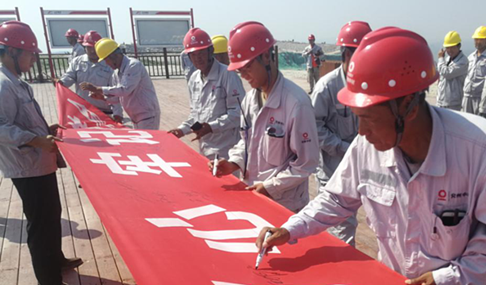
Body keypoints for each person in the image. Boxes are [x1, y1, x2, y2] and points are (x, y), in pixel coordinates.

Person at [256, 27, 486, 285]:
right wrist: (291, 228)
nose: (361, 132)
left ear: (407, 105)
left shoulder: (480, 148)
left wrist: (448, 278)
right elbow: (337, 199)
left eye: (368, 119)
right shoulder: (367, 145)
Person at [0, 21, 83, 285]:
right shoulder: (3, 85)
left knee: (51, 214)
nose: (33, 59)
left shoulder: (17, 83)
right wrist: (36, 140)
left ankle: (55, 260)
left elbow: (22, 120)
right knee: (41, 223)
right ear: (12, 52)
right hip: (27, 167)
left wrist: (45, 130)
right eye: (30, 54)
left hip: (38, 163)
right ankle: (49, 284)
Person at [210, 22, 319, 213]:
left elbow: (306, 163)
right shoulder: (249, 100)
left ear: (266, 56)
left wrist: (270, 186)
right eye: (239, 71)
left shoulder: (296, 103)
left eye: (247, 67)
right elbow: (246, 142)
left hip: (285, 205)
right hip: (253, 195)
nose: (244, 75)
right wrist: (233, 163)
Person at [311, 21, 372, 245]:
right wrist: (344, 148)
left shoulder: (370, 85)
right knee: (340, 231)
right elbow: (314, 128)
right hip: (333, 171)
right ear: (346, 55)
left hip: (364, 170)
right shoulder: (327, 87)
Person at [168, 28, 245, 161]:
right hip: (204, 149)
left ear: (211, 51)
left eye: (201, 53)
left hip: (227, 151)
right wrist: (182, 130)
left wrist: (211, 127)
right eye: (193, 55)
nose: (198, 58)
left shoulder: (227, 75)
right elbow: (195, 115)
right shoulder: (194, 79)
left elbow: (239, 113)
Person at [81, 38, 161, 129]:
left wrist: (97, 89)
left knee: (148, 139)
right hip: (135, 117)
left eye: (106, 60)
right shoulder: (116, 73)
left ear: (114, 56)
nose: (106, 63)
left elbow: (124, 90)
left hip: (147, 116)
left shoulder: (133, 65)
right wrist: (103, 98)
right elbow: (117, 97)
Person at [58, 31, 123, 122]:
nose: (92, 51)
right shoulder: (77, 62)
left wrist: (117, 114)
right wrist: (61, 82)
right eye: (89, 48)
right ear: (84, 47)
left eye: (94, 48)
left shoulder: (109, 64)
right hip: (83, 111)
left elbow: (115, 92)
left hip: (105, 112)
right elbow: (69, 76)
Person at [462, 26, 486, 114]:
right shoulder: (471, 57)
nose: (478, 42)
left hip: (480, 97)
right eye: (476, 39)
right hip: (467, 96)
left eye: (481, 39)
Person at [436, 31, 468, 110]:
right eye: (447, 48)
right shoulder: (447, 59)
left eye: (452, 47)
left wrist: (440, 58)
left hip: (453, 104)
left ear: (459, 46)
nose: (449, 50)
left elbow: (447, 73)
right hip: (441, 101)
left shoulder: (463, 61)